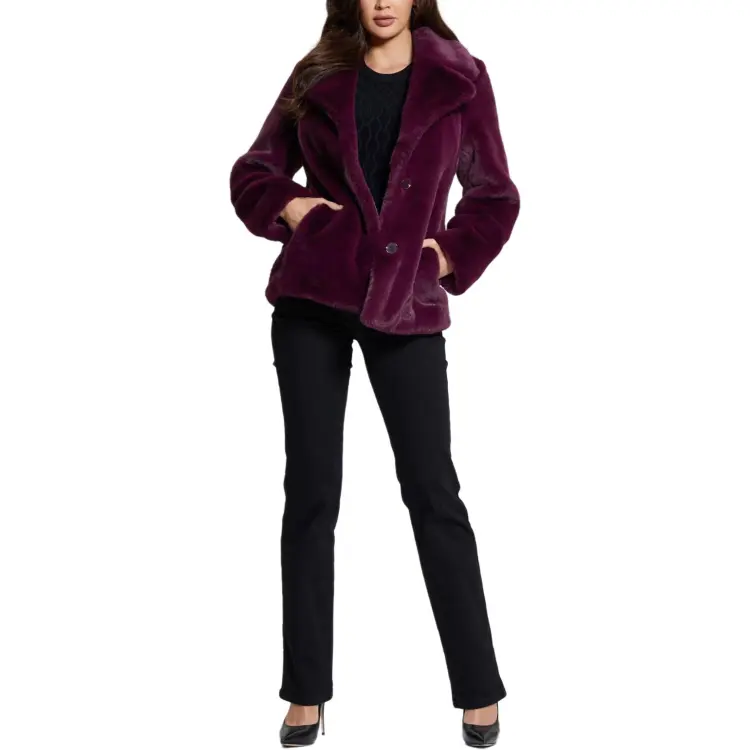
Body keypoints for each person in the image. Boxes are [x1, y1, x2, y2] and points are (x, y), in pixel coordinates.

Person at [229, 1, 520, 746]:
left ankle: (478, 687)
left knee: (434, 492)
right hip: (312, 300)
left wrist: (448, 255)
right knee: (311, 495)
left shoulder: (461, 79)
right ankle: (305, 692)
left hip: (406, 304)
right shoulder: (316, 73)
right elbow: (254, 170)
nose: (383, 0)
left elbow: (494, 194)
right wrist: (293, 207)